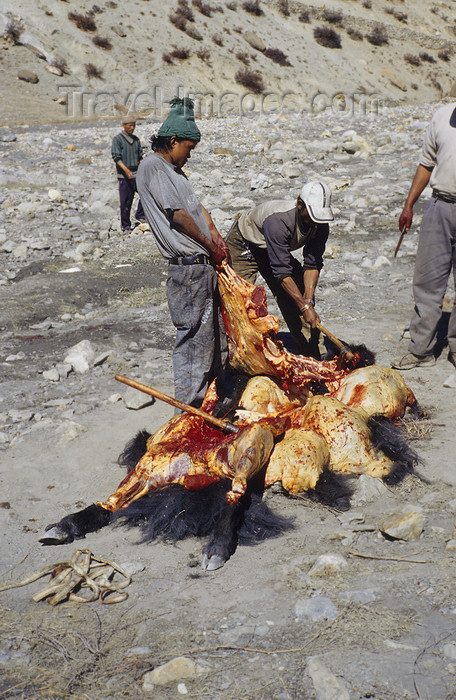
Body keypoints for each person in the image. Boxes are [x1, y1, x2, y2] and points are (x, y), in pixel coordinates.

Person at [136, 97, 230, 408]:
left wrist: (216, 238)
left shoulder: (174, 171)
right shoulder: (153, 166)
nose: (189, 155)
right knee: (194, 340)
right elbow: (178, 214)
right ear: (173, 141)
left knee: (215, 336)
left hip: (202, 266)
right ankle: (192, 407)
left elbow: (196, 208)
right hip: (188, 270)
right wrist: (207, 244)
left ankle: (218, 398)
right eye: (188, 148)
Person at [225, 181, 334, 359]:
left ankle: (313, 355)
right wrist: (304, 305)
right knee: (238, 303)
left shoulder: (320, 224)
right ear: (300, 206)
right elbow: (281, 272)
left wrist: (308, 302)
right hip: (245, 244)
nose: (315, 223)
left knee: (298, 300)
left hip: (273, 248)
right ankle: (236, 359)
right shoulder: (278, 221)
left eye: (319, 219)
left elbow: (312, 264)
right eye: (311, 217)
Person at [393, 102, 456, 371]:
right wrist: (409, 205)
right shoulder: (443, 116)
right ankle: (421, 350)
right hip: (439, 205)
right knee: (427, 280)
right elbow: (426, 163)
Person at [111, 115, 145, 232]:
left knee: (146, 193)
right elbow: (117, 158)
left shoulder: (136, 140)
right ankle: (125, 226)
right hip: (124, 176)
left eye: (133, 125)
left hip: (137, 174)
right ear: (124, 126)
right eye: (129, 125)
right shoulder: (118, 140)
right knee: (126, 201)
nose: (132, 127)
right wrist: (126, 171)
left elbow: (140, 156)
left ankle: (140, 214)